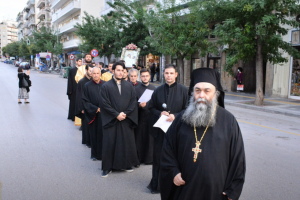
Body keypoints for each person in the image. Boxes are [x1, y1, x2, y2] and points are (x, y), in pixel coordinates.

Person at [160, 68, 246, 200]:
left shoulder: (228, 121)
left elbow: (238, 157)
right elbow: (168, 149)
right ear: (192, 93)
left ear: (215, 94)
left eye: (207, 91)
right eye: (197, 90)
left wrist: (233, 190)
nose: (201, 95)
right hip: (184, 189)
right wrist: (173, 172)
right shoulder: (181, 119)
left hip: (215, 191)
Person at [147, 64, 189, 194]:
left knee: (177, 158)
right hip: (161, 132)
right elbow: (151, 107)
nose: (168, 76)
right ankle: (157, 185)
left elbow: (188, 109)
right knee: (159, 157)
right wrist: (160, 113)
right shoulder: (157, 90)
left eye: (171, 73)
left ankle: (176, 184)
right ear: (163, 74)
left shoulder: (184, 90)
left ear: (176, 74)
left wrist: (175, 115)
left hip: (178, 131)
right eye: (166, 73)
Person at [100, 62, 139, 178]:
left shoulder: (129, 86)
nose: (120, 72)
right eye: (118, 70)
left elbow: (133, 102)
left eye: (122, 70)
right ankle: (107, 167)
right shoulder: (106, 86)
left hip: (125, 119)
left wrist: (125, 114)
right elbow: (104, 104)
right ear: (113, 71)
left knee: (126, 142)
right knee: (110, 143)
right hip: (111, 119)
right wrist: (116, 114)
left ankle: (126, 164)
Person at [82, 67, 106, 161]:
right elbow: (85, 101)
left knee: (104, 135)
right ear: (91, 74)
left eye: (97, 73)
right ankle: (95, 154)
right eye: (94, 73)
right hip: (94, 114)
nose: (96, 75)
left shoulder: (105, 85)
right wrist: (95, 109)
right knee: (94, 134)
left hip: (104, 114)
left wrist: (104, 108)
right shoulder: (87, 86)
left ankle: (104, 153)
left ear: (100, 74)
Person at [134, 68, 155, 164]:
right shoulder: (135, 89)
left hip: (151, 117)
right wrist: (139, 105)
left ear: (150, 76)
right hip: (141, 118)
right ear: (140, 77)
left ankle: (149, 159)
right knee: (140, 139)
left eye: (147, 76)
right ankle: (139, 158)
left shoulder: (155, 89)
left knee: (150, 140)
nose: (145, 78)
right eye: (143, 76)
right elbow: (132, 104)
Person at [75, 64, 93, 147]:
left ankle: (92, 141)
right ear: (86, 71)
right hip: (84, 107)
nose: (92, 73)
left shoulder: (94, 81)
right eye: (90, 71)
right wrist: (81, 108)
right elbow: (79, 96)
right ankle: (86, 140)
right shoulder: (82, 82)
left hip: (93, 107)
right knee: (86, 124)